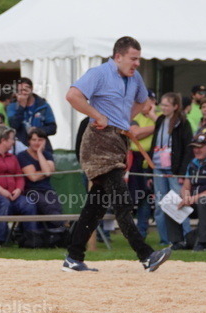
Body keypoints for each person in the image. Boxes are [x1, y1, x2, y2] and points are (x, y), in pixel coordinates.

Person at [61, 36, 171, 273]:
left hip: (119, 140)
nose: (137, 64)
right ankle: (146, 255)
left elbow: (144, 103)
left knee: (96, 205)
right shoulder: (99, 73)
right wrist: (97, 114)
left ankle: (73, 257)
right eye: (133, 58)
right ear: (118, 56)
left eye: (139, 59)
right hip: (98, 142)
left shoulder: (135, 78)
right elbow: (72, 95)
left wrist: (124, 121)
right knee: (122, 200)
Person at [150, 92, 193, 245]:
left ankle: (186, 237)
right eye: (162, 104)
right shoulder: (160, 120)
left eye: (167, 105)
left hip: (174, 171)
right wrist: (151, 170)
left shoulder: (182, 123)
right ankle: (165, 239)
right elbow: (154, 142)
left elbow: (188, 150)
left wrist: (182, 173)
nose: (163, 107)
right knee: (160, 205)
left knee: (178, 203)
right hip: (158, 168)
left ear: (175, 106)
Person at [16, 128, 64, 234]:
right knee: (47, 205)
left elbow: (47, 173)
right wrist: (44, 171)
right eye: (34, 140)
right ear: (29, 141)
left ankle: (56, 232)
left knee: (56, 205)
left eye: (40, 140)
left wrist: (39, 153)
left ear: (45, 141)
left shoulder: (47, 154)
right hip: (31, 190)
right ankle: (62, 226)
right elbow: (33, 177)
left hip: (47, 189)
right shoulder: (22, 155)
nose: (37, 143)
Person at [126, 89, 157, 237]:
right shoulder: (136, 116)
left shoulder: (159, 117)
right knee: (136, 196)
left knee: (148, 197)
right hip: (137, 161)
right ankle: (134, 231)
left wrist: (154, 119)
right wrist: (157, 127)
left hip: (155, 159)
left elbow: (168, 127)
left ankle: (142, 231)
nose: (146, 104)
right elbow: (135, 133)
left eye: (149, 101)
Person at [6, 77, 57, 150]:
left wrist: (38, 130)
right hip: (21, 147)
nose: (23, 93)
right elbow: (13, 126)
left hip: (41, 147)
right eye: (20, 91)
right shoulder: (12, 106)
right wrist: (21, 107)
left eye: (25, 90)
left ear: (31, 89)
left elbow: (53, 128)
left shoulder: (43, 105)